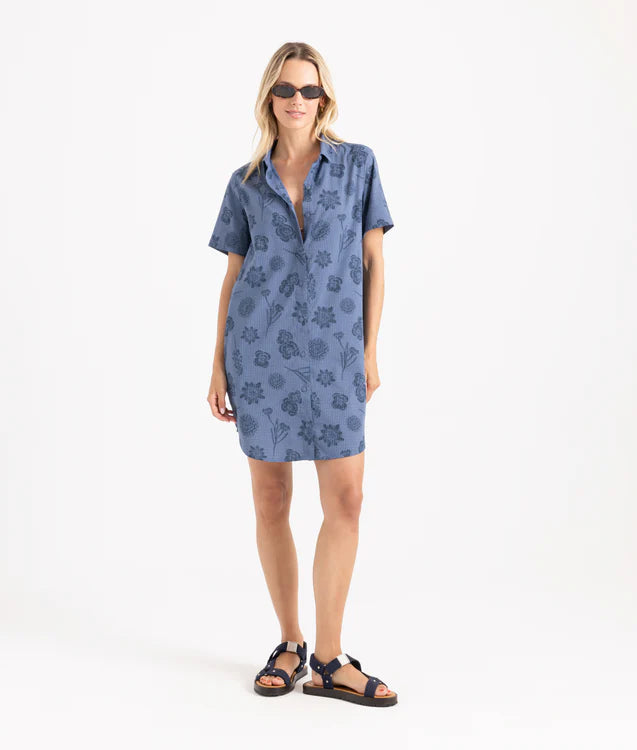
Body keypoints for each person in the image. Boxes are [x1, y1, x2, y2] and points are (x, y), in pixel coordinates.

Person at [206, 42, 397, 708]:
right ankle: (289, 643)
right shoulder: (245, 182)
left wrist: (369, 352)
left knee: (347, 501)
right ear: (270, 96)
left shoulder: (358, 166)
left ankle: (329, 658)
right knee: (271, 501)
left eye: (309, 90)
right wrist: (217, 364)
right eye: (286, 89)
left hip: (337, 357)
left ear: (324, 99)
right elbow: (234, 275)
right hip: (261, 357)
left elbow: (374, 263)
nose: (297, 100)